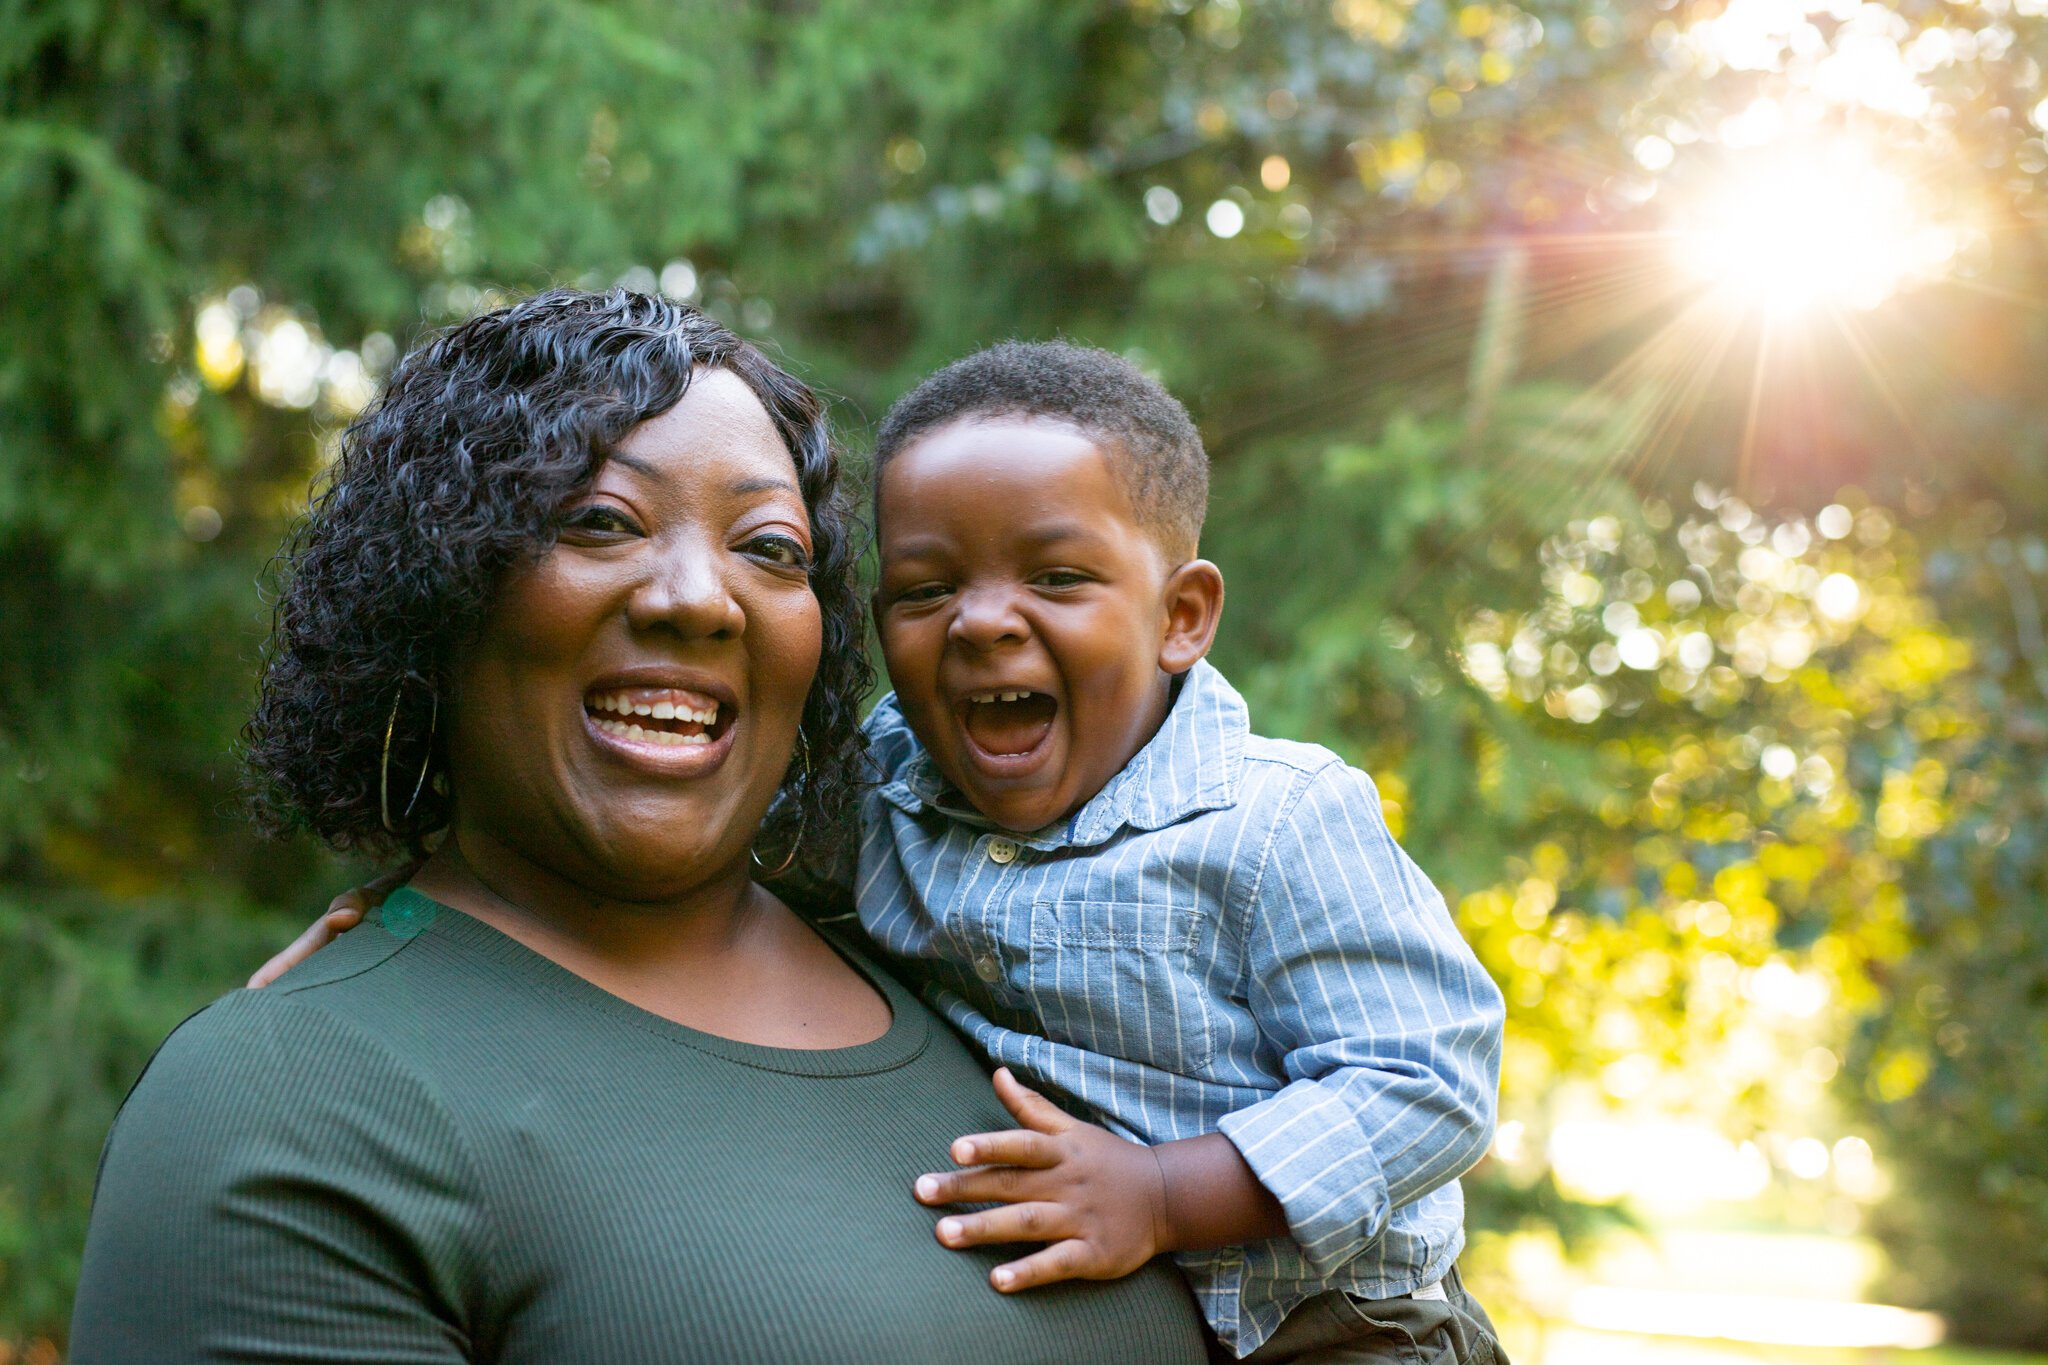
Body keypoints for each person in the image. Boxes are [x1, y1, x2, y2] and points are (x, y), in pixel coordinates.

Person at [279, 340, 1510, 1362]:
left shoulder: (1275, 819)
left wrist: (1162, 1194)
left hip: (1347, 1325)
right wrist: (416, 914)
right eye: (926, 591)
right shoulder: (880, 787)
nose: (982, 622)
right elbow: (646, 850)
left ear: (1180, 615)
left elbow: (1424, 1077)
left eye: (1057, 576)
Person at [68, 292, 1209, 1363]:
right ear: (434, 584)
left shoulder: (984, 967)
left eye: (768, 548)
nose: (696, 596)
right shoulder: (293, 1103)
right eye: (601, 522)